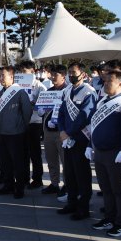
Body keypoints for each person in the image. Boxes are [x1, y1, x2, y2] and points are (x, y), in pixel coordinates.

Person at [87, 69, 121, 237]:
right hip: (99, 152)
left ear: (120, 84)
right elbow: (93, 126)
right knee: (106, 188)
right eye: (105, 81)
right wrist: (89, 145)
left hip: (115, 153)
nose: (105, 84)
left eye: (110, 81)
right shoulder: (101, 102)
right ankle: (109, 218)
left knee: (119, 190)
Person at [58, 62, 98, 220]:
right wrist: (62, 131)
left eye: (74, 72)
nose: (71, 75)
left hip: (81, 138)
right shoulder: (67, 90)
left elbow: (84, 117)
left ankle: (83, 207)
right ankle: (71, 202)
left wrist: (68, 132)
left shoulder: (89, 92)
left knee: (82, 175)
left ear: (83, 74)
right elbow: (61, 112)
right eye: (69, 72)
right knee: (69, 173)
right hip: (67, 139)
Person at [0, 65, 33, 198]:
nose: (0, 78)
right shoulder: (0, 93)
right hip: (2, 133)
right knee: (5, 162)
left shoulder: (20, 92)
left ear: (12, 77)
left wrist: (21, 127)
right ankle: (8, 185)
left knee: (18, 162)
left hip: (16, 134)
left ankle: (20, 187)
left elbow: (27, 113)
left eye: (3, 76)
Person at [40, 65, 68, 197]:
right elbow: (41, 110)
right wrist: (41, 110)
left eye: (55, 75)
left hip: (62, 131)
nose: (52, 77)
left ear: (63, 76)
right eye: (51, 74)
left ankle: (67, 184)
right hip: (48, 131)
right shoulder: (48, 91)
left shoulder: (68, 91)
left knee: (65, 160)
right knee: (51, 159)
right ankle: (54, 183)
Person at [19, 60, 46, 189]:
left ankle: (37, 178)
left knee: (35, 153)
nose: (23, 74)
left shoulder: (40, 86)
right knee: (23, 153)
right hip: (21, 122)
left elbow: (44, 106)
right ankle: (24, 178)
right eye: (21, 72)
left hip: (35, 123)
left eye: (25, 72)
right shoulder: (17, 85)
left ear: (32, 72)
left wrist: (32, 103)